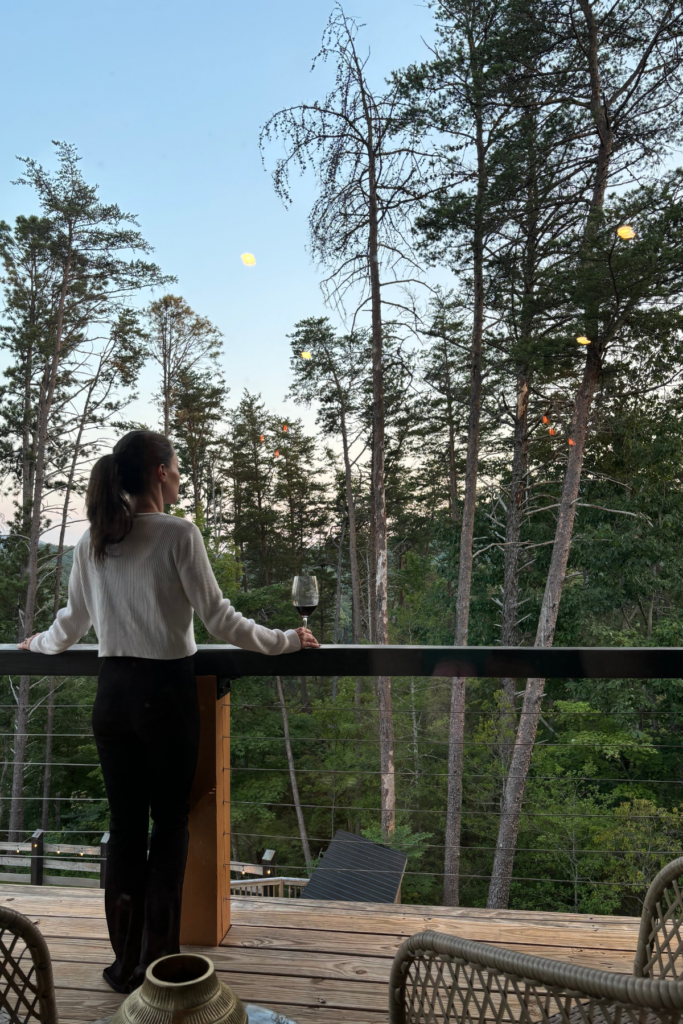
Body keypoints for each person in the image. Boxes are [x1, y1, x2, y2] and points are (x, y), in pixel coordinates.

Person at [17, 429, 319, 993]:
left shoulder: (96, 539)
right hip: (166, 696)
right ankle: (161, 962)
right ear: (159, 471)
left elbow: (72, 623)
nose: (180, 477)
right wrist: (288, 641)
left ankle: (123, 965)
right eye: (177, 468)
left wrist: (39, 643)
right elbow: (221, 621)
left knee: (125, 829)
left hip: (113, 698)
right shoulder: (179, 534)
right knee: (171, 822)